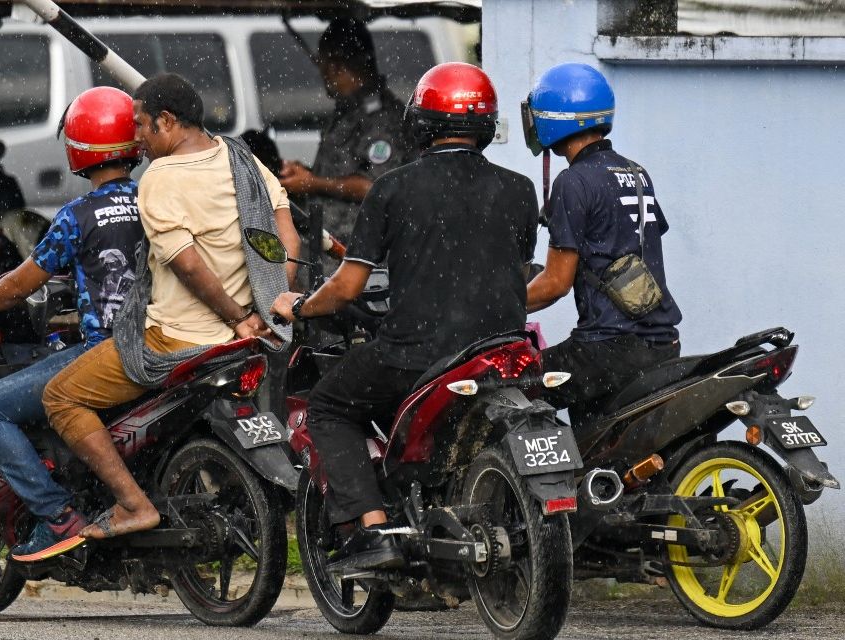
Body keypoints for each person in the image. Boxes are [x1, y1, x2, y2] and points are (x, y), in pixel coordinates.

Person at [271, 63, 538, 571]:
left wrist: (300, 304)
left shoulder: (391, 189)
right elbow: (514, 270)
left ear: (420, 122)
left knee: (328, 404)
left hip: (420, 355)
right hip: (502, 349)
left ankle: (374, 529)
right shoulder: (521, 189)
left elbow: (348, 285)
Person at [42, 73, 300, 543]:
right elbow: (286, 237)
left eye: (141, 125)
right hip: (250, 339)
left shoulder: (158, 180)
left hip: (178, 340)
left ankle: (132, 504)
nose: (135, 138)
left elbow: (187, 264)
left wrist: (236, 317)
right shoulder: (241, 158)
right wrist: (273, 306)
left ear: (166, 121)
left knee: (61, 396)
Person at [0, 86, 145, 562]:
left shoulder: (77, 216)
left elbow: (19, 284)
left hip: (106, 355)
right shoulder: (157, 201)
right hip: (160, 344)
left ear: (77, 147)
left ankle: (57, 516)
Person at [523, 63, 682, 425]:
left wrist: (501, 306)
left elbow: (555, 284)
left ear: (555, 118)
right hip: (661, 345)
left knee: (508, 388)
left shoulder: (573, 181)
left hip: (606, 349)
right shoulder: (637, 173)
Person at [278, 18, 413, 257]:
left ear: (337, 68)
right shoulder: (348, 110)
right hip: (329, 253)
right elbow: (341, 173)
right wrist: (305, 175)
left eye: (323, 68)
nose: (324, 78)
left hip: (359, 257)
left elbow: (375, 186)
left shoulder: (383, 118)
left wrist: (312, 183)